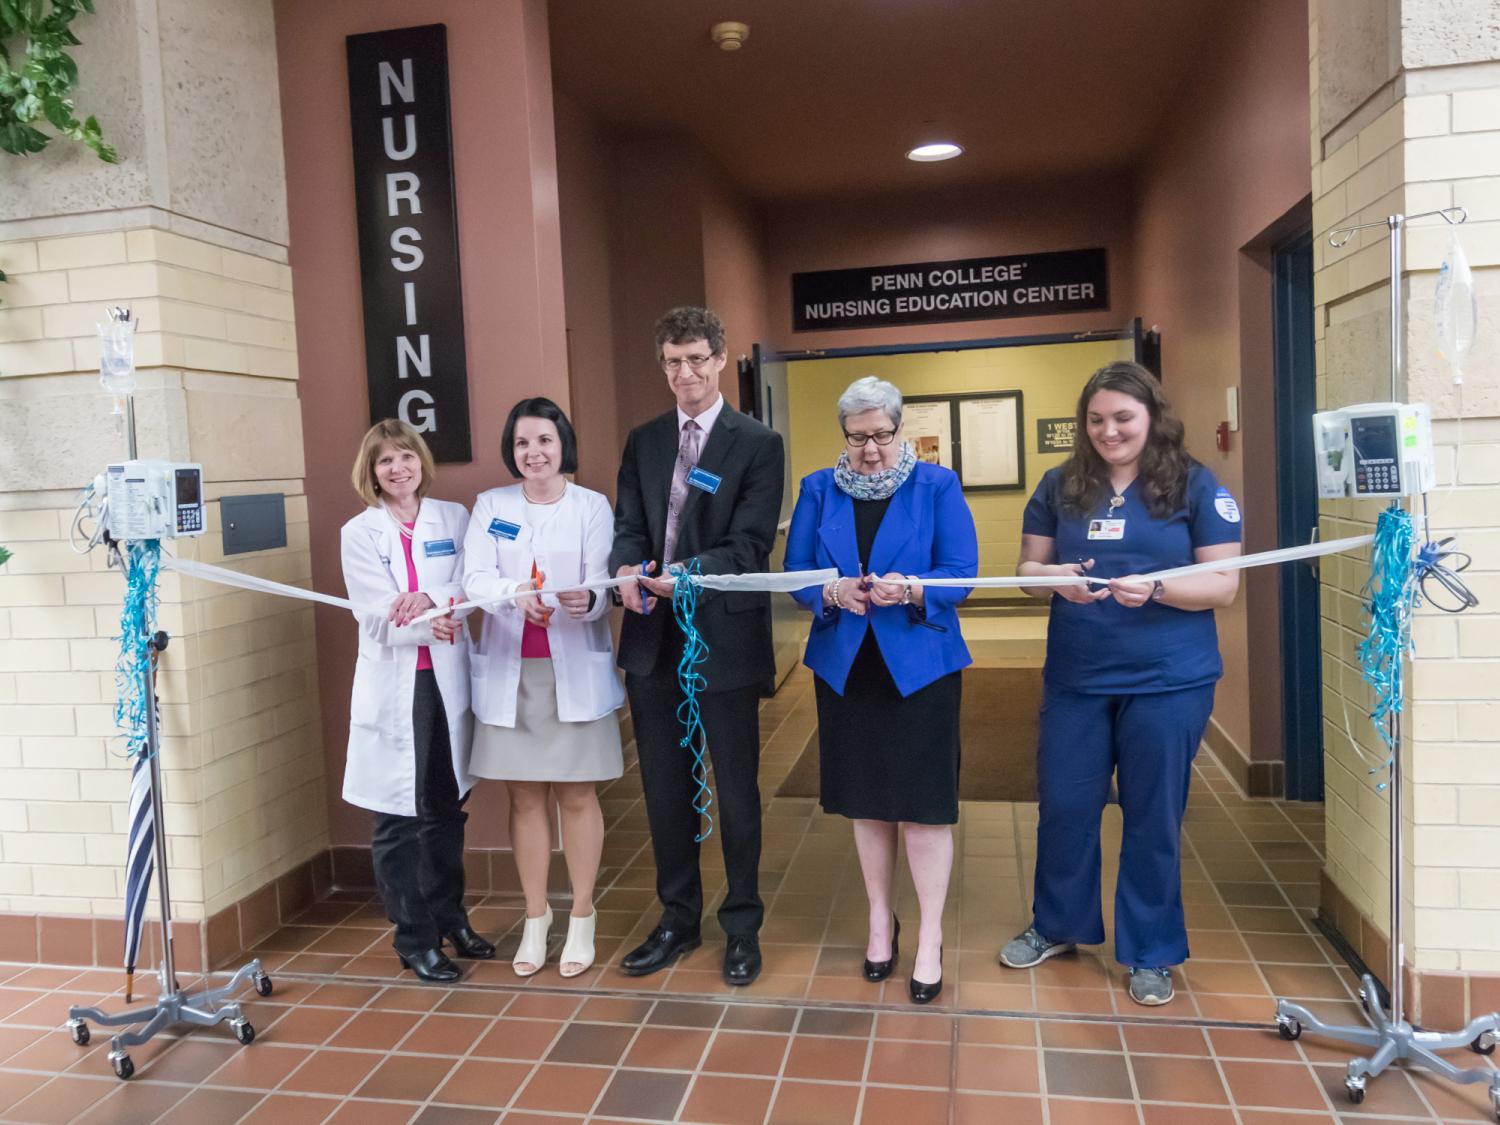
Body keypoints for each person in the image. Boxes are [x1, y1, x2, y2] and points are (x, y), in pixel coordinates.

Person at [998, 361, 1243, 1006]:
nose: (1110, 431)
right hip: (1077, 677)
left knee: (1152, 814)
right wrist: (1055, 581)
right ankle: (1058, 924)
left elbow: (1223, 583)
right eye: (1097, 419)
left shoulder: (1195, 485)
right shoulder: (1061, 485)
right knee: (1066, 807)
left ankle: (1151, 951)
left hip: (1167, 680)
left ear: (1151, 418)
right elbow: (1027, 568)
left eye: (1124, 418)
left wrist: (1160, 586)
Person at [784, 376, 978, 1005]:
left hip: (920, 667)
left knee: (923, 807)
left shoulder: (937, 485)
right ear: (844, 435)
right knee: (867, 803)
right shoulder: (818, 488)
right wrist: (831, 593)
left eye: (881, 435)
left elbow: (963, 572)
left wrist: (914, 588)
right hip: (848, 668)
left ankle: (927, 937)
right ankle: (877, 921)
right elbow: (795, 576)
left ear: (900, 429)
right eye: (858, 437)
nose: (870, 449)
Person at [609, 306, 785, 986]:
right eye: (672, 362)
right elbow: (629, 524)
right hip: (653, 639)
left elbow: (749, 543)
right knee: (663, 789)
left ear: (719, 360)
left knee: (737, 792)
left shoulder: (756, 443)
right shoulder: (645, 440)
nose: (684, 373)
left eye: (695, 360)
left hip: (724, 638)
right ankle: (678, 918)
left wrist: (683, 574)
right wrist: (627, 570)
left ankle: (743, 925)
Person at [463, 398, 624, 979]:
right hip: (513, 671)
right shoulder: (491, 506)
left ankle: (582, 915)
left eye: (545, 442)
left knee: (578, 796)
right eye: (523, 442)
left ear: (564, 447)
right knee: (525, 798)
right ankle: (536, 918)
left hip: (572, 670)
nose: (533, 453)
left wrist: (590, 599)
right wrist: (511, 592)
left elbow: (602, 577)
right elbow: (473, 577)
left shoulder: (591, 506)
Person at [340, 419, 495, 984]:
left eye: (406, 456)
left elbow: (472, 583)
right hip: (396, 687)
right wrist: (433, 622)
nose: (397, 468)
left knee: (446, 809)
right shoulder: (359, 532)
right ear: (372, 473)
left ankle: (451, 919)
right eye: (385, 461)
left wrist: (433, 599)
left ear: (420, 462)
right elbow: (373, 614)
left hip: (445, 681)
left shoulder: (453, 519)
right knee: (397, 817)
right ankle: (414, 938)